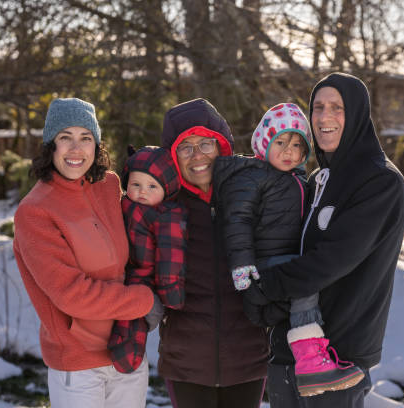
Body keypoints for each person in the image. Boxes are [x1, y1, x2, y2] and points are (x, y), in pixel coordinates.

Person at [244, 73, 404, 407]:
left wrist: (264, 286)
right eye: (318, 107)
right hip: (288, 351)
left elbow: (332, 260)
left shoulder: (380, 182)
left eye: (337, 107)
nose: (324, 117)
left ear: (358, 114)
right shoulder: (317, 178)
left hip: (338, 358)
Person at [213, 102, 364, 398]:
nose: (288, 151)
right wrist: (243, 267)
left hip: (284, 260)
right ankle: (310, 360)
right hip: (264, 264)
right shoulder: (252, 176)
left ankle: (315, 355)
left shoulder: (297, 180)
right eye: (280, 142)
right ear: (263, 143)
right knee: (305, 280)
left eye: (297, 145)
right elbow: (237, 222)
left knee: (310, 283)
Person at [13, 98, 154, 408]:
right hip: (78, 365)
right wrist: (143, 301)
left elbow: (142, 241)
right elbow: (71, 294)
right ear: (51, 145)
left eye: (85, 138)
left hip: (128, 349)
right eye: (66, 137)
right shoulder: (35, 211)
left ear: (96, 144)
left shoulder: (110, 187)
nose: (76, 148)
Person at [158, 98, 269, 408]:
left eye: (205, 144)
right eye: (185, 147)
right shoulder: (164, 208)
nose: (197, 156)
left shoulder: (250, 197)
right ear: (173, 157)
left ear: (222, 146)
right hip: (186, 362)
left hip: (247, 357)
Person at [107, 145, 187, 373]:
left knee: (132, 318)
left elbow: (171, 257)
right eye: (136, 185)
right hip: (116, 274)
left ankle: (128, 354)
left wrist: (172, 294)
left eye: (152, 186)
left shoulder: (167, 216)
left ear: (168, 189)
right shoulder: (120, 205)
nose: (142, 191)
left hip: (143, 278)